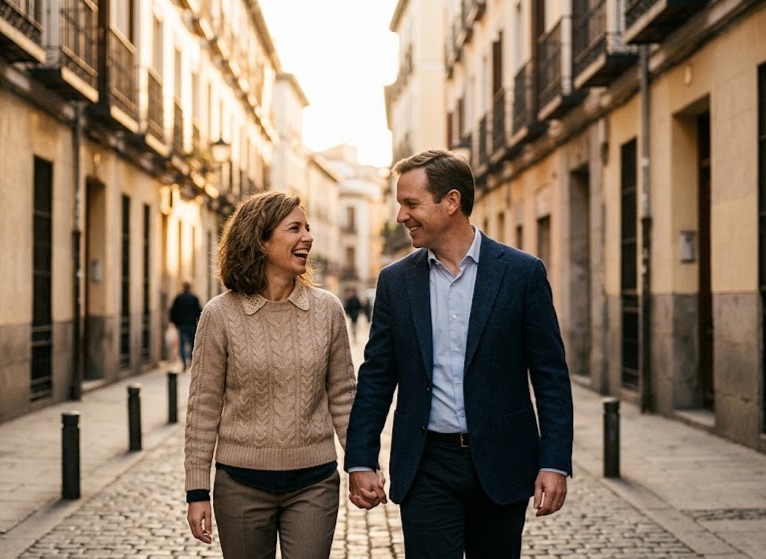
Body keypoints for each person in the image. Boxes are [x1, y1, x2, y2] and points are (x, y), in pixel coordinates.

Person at [344, 149, 573, 558]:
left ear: (451, 201)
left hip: (503, 461)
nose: (401, 216)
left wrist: (554, 462)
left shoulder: (521, 273)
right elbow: (377, 376)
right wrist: (361, 459)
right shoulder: (396, 282)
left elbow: (550, 376)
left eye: (411, 204)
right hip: (426, 464)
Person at [184, 191, 357, 558]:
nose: (308, 237)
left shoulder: (327, 310)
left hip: (314, 482)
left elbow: (344, 395)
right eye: (295, 228)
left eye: (308, 228)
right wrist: (197, 491)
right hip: (240, 484)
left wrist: (361, 463)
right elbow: (203, 407)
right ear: (260, 240)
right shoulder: (220, 314)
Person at [169, 280, 202, 371]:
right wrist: (198, 322)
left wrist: (174, 322)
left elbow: (173, 311)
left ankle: (184, 364)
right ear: (190, 287)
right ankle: (192, 363)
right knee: (192, 344)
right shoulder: (194, 297)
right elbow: (199, 311)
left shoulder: (178, 297)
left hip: (181, 325)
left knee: (182, 345)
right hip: (191, 325)